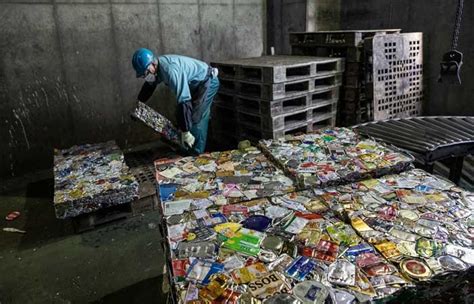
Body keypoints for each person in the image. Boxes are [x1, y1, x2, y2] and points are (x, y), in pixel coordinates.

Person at [132, 48, 219, 154]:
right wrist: (138, 105)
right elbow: (149, 86)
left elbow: (184, 100)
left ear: (152, 64)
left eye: (146, 73)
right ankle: (186, 145)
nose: (146, 76)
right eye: (143, 75)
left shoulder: (170, 70)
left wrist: (186, 131)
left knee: (196, 118)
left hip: (207, 82)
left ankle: (196, 154)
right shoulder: (157, 69)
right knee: (180, 115)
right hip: (194, 85)